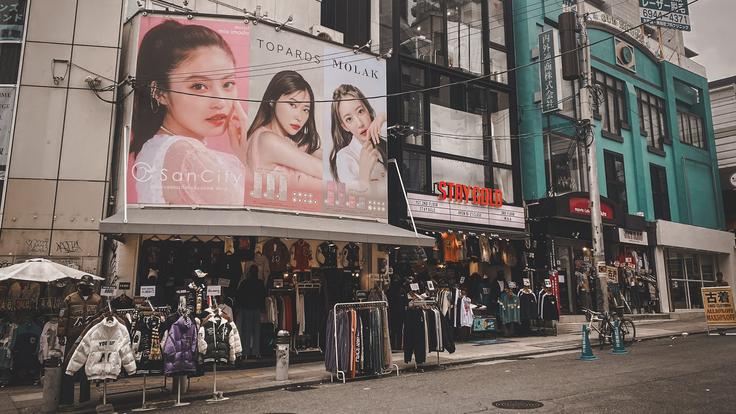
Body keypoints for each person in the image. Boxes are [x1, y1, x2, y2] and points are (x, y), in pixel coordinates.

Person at [130, 19, 247, 205]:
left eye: (227, 84)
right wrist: (250, 157)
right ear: (160, 93)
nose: (220, 102)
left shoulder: (158, 147)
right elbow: (249, 222)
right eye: (199, 86)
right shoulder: (187, 154)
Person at [245, 70, 323, 188]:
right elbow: (324, 171)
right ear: (272, 101)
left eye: (305, 109)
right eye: (292, 105)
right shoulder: (268, 141)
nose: (299, 117)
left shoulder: (288, 143)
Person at [329, 84, 387, 192]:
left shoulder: (384, 144)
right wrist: (364, 177)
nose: (360, 124)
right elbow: (354, 201)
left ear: (368, 111)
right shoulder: (345, 156)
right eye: (349, 119)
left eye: (360, 111)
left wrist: (382, 117)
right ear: (344, 126)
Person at [58, 275, 101, 407]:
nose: (83, 288)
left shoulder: (97, 299)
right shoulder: (70, 299)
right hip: (73, 337)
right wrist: (61, 335)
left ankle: (85, 398)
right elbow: (63, 318)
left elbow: (99, 319)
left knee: (86, 369)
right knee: (68, 367)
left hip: (90, 338)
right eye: (81, 286)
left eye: (86, 286)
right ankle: (66, 398)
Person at [236, 265, 266, 359]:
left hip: (246, 309)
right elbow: (263, 297)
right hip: (256, 309)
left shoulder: (244, 283)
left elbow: (239, 296)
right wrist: (263, 310)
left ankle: (245, 352)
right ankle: (256, 352)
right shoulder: (260, 283)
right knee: (257, 331)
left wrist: (239, 307)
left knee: (246, 331)